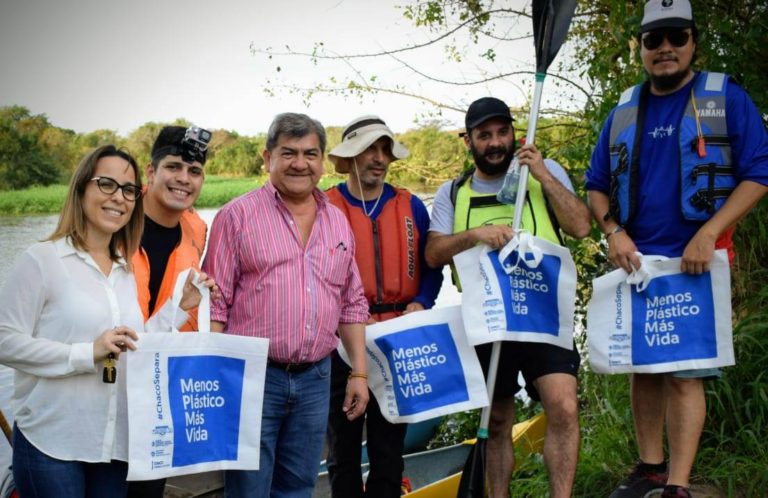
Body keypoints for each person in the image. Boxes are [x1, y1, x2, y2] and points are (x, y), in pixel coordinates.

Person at [586, 1, 768, 497]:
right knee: (643, 371)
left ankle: (679, 485)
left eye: (676, 37)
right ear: (641, 48)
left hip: (696, 264)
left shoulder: (723, 96)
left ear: (694, 42)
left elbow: (758, 173)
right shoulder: (624, 109)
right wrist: (612, 232)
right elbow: (596, 184)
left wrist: (710, 232)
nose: (665, 48)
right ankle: (649, 467)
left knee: (687, 376)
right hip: (639, 264)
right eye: (653, 39)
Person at [0, 145, 213, 498]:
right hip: (53, 442)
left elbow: (133, 344)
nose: (120, 198)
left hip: (113, 443)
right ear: (82, 187)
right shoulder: (42, 259)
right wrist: (87, 353)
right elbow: (4, 341)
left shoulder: (123, 267)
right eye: (106, 184)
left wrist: (181, 306)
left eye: (129, 190)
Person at [425, 97, 591, 498]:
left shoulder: (544, 170)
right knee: (498, 421)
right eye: (484, 135)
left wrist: (543, 177)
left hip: (542, 314)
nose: (495, 142)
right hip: (486, 320)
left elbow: (582, 226)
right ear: (469, 141)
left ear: (514, 133)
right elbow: (433, 254)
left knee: (564, 407)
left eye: (502, 132)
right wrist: (475, 235)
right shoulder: (452, 192)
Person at [201, 113, 370, 498]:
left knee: (298, 488)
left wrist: (359, 373)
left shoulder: (338, 221)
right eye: (288, 153)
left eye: (310, 153)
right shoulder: (236, 216)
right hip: (254, 377)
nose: (300, 163)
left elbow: (352, 302)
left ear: (323, 160)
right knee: (248, 490)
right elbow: (216, 306)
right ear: (267, 158)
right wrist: (215, 381)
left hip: (317, 378)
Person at [324, 115, 443, 497]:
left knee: (389, 450)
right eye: (368, 149)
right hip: (341, 343)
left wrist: (422, 301)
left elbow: (432, 266)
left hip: (397, 339)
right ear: (349, 157)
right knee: (342, 450)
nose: (378, 158)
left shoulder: (411, 207)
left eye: (384, 150)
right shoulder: (325, 207)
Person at [126, 126, 210, 497]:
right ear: (150, 171)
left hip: (165, 384)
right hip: (111, 378)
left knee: (149, 488)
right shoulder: (114, 217)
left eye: (194, 172)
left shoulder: (197, 227)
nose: (184, 179)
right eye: (173, 167)